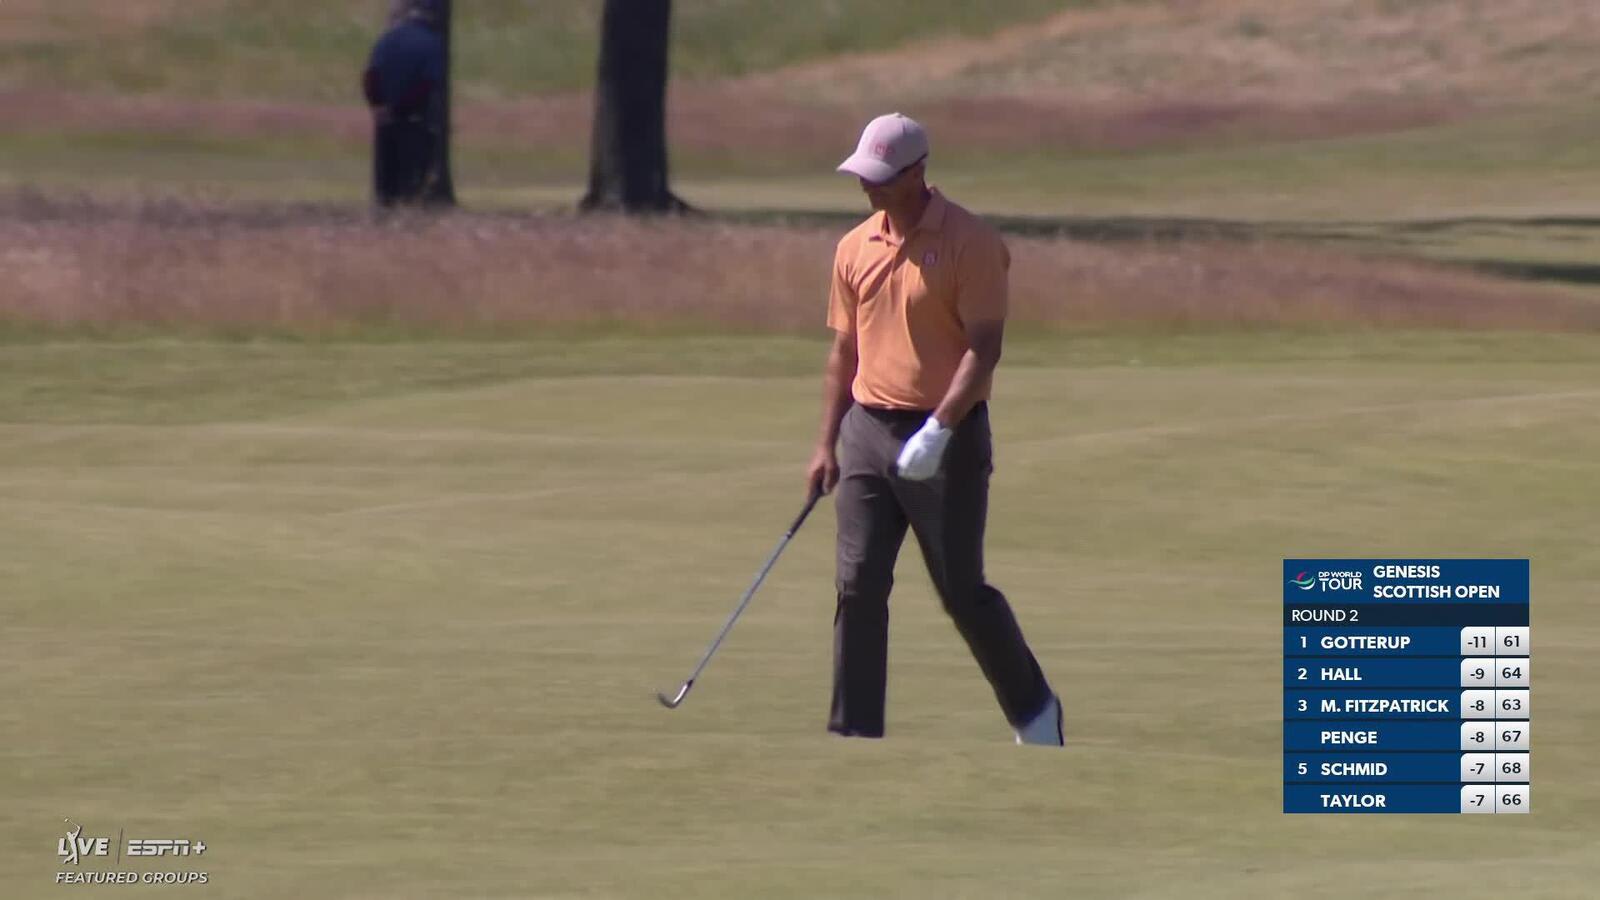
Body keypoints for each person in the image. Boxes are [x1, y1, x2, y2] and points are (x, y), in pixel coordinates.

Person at [805, 113, 1063, 746]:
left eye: (881, 178)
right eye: (862, 176)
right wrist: (825, 443)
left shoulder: (971, 243)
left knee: (961, 592)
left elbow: (984, 349)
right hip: (867, 428)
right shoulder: (853, 247)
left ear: (918, 173)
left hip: (945, 438)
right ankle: (855, 733)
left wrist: (940, 429)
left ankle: (1035, 712)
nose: (868, 189)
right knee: (858, 583)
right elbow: (844, 352)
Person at [362, 0, 446, 206]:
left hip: (385, 118)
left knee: (386, 171)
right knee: (412, 171)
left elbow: (371, 75)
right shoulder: (432, 43)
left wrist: (378, 105)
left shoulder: (387, 39)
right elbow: (426, 84)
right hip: (413, 118)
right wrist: (400, 109)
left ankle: (384, 207)